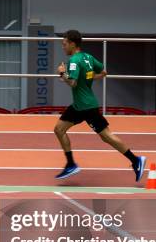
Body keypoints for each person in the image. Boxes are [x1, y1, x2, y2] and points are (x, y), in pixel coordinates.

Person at [54, 29, 146, 181]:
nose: (63, 47)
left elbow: (73, 82)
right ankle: (70, 164)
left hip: (86, 107)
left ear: (72, 43)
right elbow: (103, 72)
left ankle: (136, 160)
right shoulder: (88, 57)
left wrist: (62, 73)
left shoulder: (74, 61)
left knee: (107, 136)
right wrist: (87, 79)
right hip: (80, 105)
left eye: (64, 44)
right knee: (59, 129)